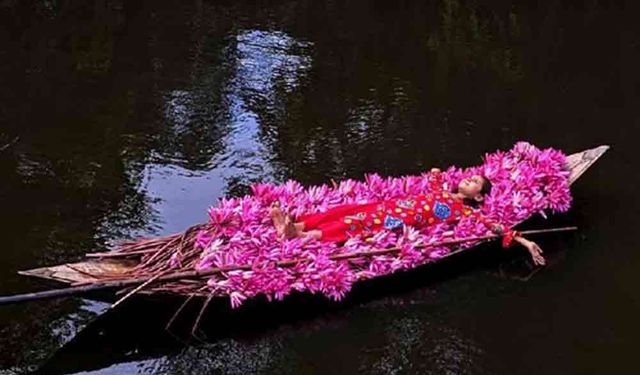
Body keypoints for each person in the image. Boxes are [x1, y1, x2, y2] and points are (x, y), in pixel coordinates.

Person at [270, 169, 546, 265]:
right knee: (344, 210)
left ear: (479, 197)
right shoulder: (443, 191)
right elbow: (435, 176)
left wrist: (525, 243)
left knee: (351, 226)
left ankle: (300, 236)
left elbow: (495, 227)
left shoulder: (464, 211)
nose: (468, 179)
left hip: (397, 221)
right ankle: (295, 224)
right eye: (470, 177)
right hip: (390, 205)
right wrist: (437, 173)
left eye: (474, 182)